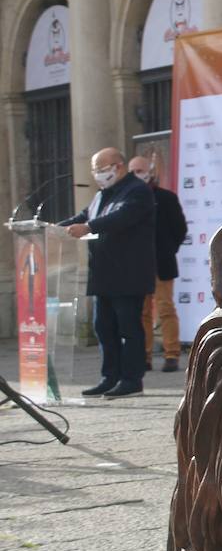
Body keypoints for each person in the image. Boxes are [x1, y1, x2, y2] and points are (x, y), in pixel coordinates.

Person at [61, 148, 156, 398]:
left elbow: (120, 217)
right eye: (96, 170)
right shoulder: (102, 195)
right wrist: (53, 229)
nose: (98, 175)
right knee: (103, 327)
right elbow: (84, 216)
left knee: (128, 328)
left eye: (102, 169)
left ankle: (131, 380)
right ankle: (109, 376)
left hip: (127, 274)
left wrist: (88, 227)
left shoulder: (137, 191)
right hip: (104, 275)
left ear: (119, 166)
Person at [130, 155, 187, 373]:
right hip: (137, 264)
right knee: (142, 312)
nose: (137, 175)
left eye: (140, 170)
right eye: (132, 171)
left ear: (150, 171)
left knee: (165, 308)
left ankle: (171, 354)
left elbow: (179, 229)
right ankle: (144, 356)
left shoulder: (166, 198)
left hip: (161, 263)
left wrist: (167, 249)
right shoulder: (129, 199)